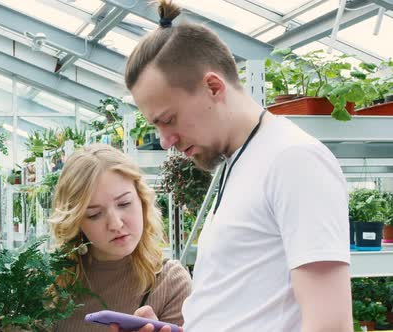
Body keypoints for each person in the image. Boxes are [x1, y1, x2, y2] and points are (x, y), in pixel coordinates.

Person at [121, 1, 353, 331]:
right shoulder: (240, 161)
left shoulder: (293, 160)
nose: (165, 140)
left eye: (168, 120)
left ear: (213, 87)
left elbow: (329, 324)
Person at [49, 144, 192, 332]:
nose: (115, 224)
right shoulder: (48, 284)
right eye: (94, 214)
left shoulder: (169, 282)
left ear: (142, 200)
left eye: (124, 203)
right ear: (75, 222)